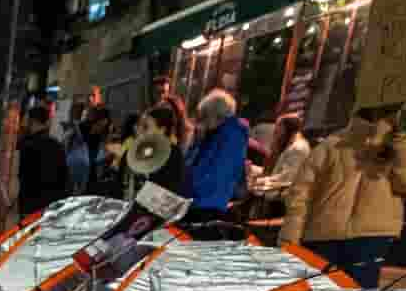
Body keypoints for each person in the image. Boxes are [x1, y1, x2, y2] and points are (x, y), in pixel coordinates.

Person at [279, 103, 406, 290]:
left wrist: (403, 139)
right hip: (323, 235)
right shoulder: (333, 144)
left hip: (369, 237)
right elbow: (301, 194)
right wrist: (291, 236)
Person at [183, 89, 249, 223]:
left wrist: (191, 191)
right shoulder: (214, 134)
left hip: (205, 204)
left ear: (216, 115)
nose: (201, 121)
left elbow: (218, 174)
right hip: (199, 201)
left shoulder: (231, 136)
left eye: (204, 116)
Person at [15, 104, 68, 220]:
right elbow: (64, 177)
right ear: (47, 121)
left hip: (31, 204)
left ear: (31, 121)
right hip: (52, 205)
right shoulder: (57, 146)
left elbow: (22, 176)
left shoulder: (27, 145)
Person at [127, 103, 188, 200]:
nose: (141, 131)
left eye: (146, 127)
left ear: (162, 130)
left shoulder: (173, 154)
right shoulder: (146, 151)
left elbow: (171, 191)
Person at [248, 113, 310, 199]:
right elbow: (276, 172)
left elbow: (285, 178)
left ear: (287, 129)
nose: (275, 132)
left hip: (279, 201)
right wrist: (252, 169)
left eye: (278, 128)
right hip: (272, 195)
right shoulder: (291, 145)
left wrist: (256, 183)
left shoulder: (298, 149)